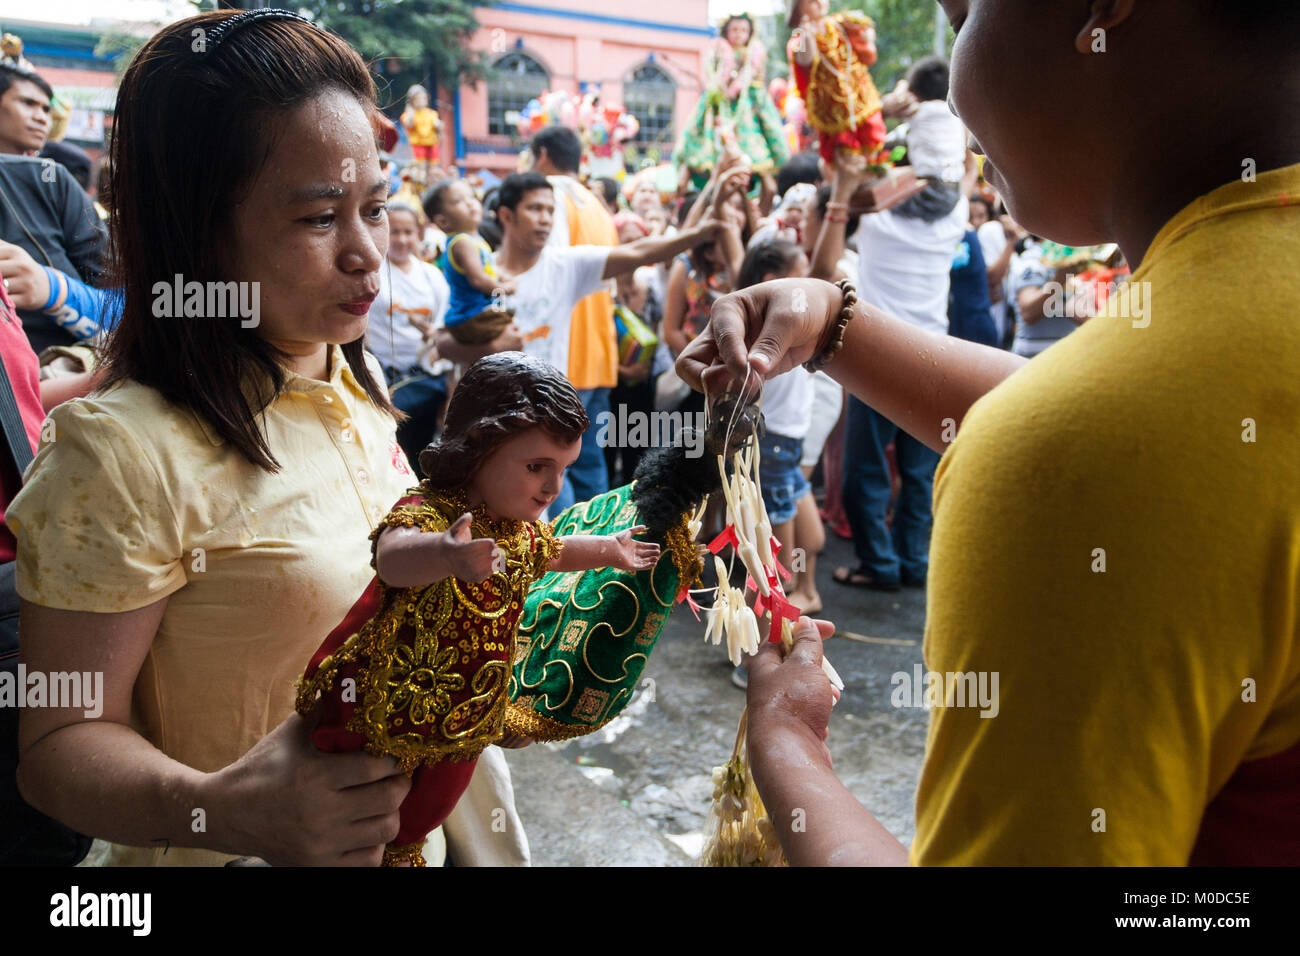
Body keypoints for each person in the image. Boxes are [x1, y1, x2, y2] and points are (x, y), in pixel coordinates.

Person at [677, 0, 1300, 865]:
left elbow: (1098, 447)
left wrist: (784, 743)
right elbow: (1165, 434)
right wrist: (833, 328)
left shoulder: (1088, 457)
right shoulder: (1204, 371)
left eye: (961, 11)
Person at [9, 9, 525, 867]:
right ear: (198, 230)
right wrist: (218, 808)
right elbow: (59, 745)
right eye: (320, 218)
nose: (367, 253)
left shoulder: (350, 385)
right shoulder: (121, 452)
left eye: (376, 207)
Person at [297, 353, 659, 866]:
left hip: (471, 708)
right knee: (359, 806)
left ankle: (405, 851)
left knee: (433, 803)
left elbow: (553, 550)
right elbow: (392, 559)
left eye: (564, 470)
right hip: (388, 695)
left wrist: (611, 549)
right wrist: (444, 554)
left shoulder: (516, 529)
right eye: (537, 468)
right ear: (478, 448)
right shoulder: (433, 512)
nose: (554, 488)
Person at [434, 171, 727, 514]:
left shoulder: (564, 266)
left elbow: (637, 251)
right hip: (492, 430)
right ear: (506, 215)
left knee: (558, 520)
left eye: (549, 210)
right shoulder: (478, 272)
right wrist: (491, 347)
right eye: (535, 209)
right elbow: (441, 343)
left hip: (545, 425)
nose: (545, 219)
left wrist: (699, 233)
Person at [529, 125, 620, 510]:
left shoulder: (548, 197)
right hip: (600, 353)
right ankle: (599, 554)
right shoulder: (595, 202)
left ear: (544, 154)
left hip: (567, 358)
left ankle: (567, 561)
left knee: (555, 465)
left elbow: (549, 277)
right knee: (589, 462)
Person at [0, 45, 107, 353]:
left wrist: (53, 289)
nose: (41, 117)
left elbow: (120, 301)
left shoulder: (51, 180)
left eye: (47, 109)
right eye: (28, 103)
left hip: (70, 365)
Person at [366, 198, 453, 467]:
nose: (401, 240)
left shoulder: (432, 277)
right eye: (394, 232)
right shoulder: (370, 272)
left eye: (408, 232)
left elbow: (443, 330)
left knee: (419, 454)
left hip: (424, 380)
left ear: (419, 234)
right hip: (380, 374)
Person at [674, 13, 790, 192]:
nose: (739, 34)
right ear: (726, 31)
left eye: (743, 30)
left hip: (749, 104)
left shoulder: (755, 51)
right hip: (718, 103)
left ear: (750, 33)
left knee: (763, 142)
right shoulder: (717, 49)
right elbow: (710, 72)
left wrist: (740, 85)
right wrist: (721, 86)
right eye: (734, 30)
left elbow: (755, 72)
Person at [425, 177, 516, 345]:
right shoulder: (462, 242)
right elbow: (478, 280)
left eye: (472, 197)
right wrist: (503, 289)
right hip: (471, 317)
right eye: (459, 200)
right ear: (442, 221)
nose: (470, 203)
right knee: (515, 329)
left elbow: (489, 270)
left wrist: (502, 276)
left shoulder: (475, 240)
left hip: (476, 314)